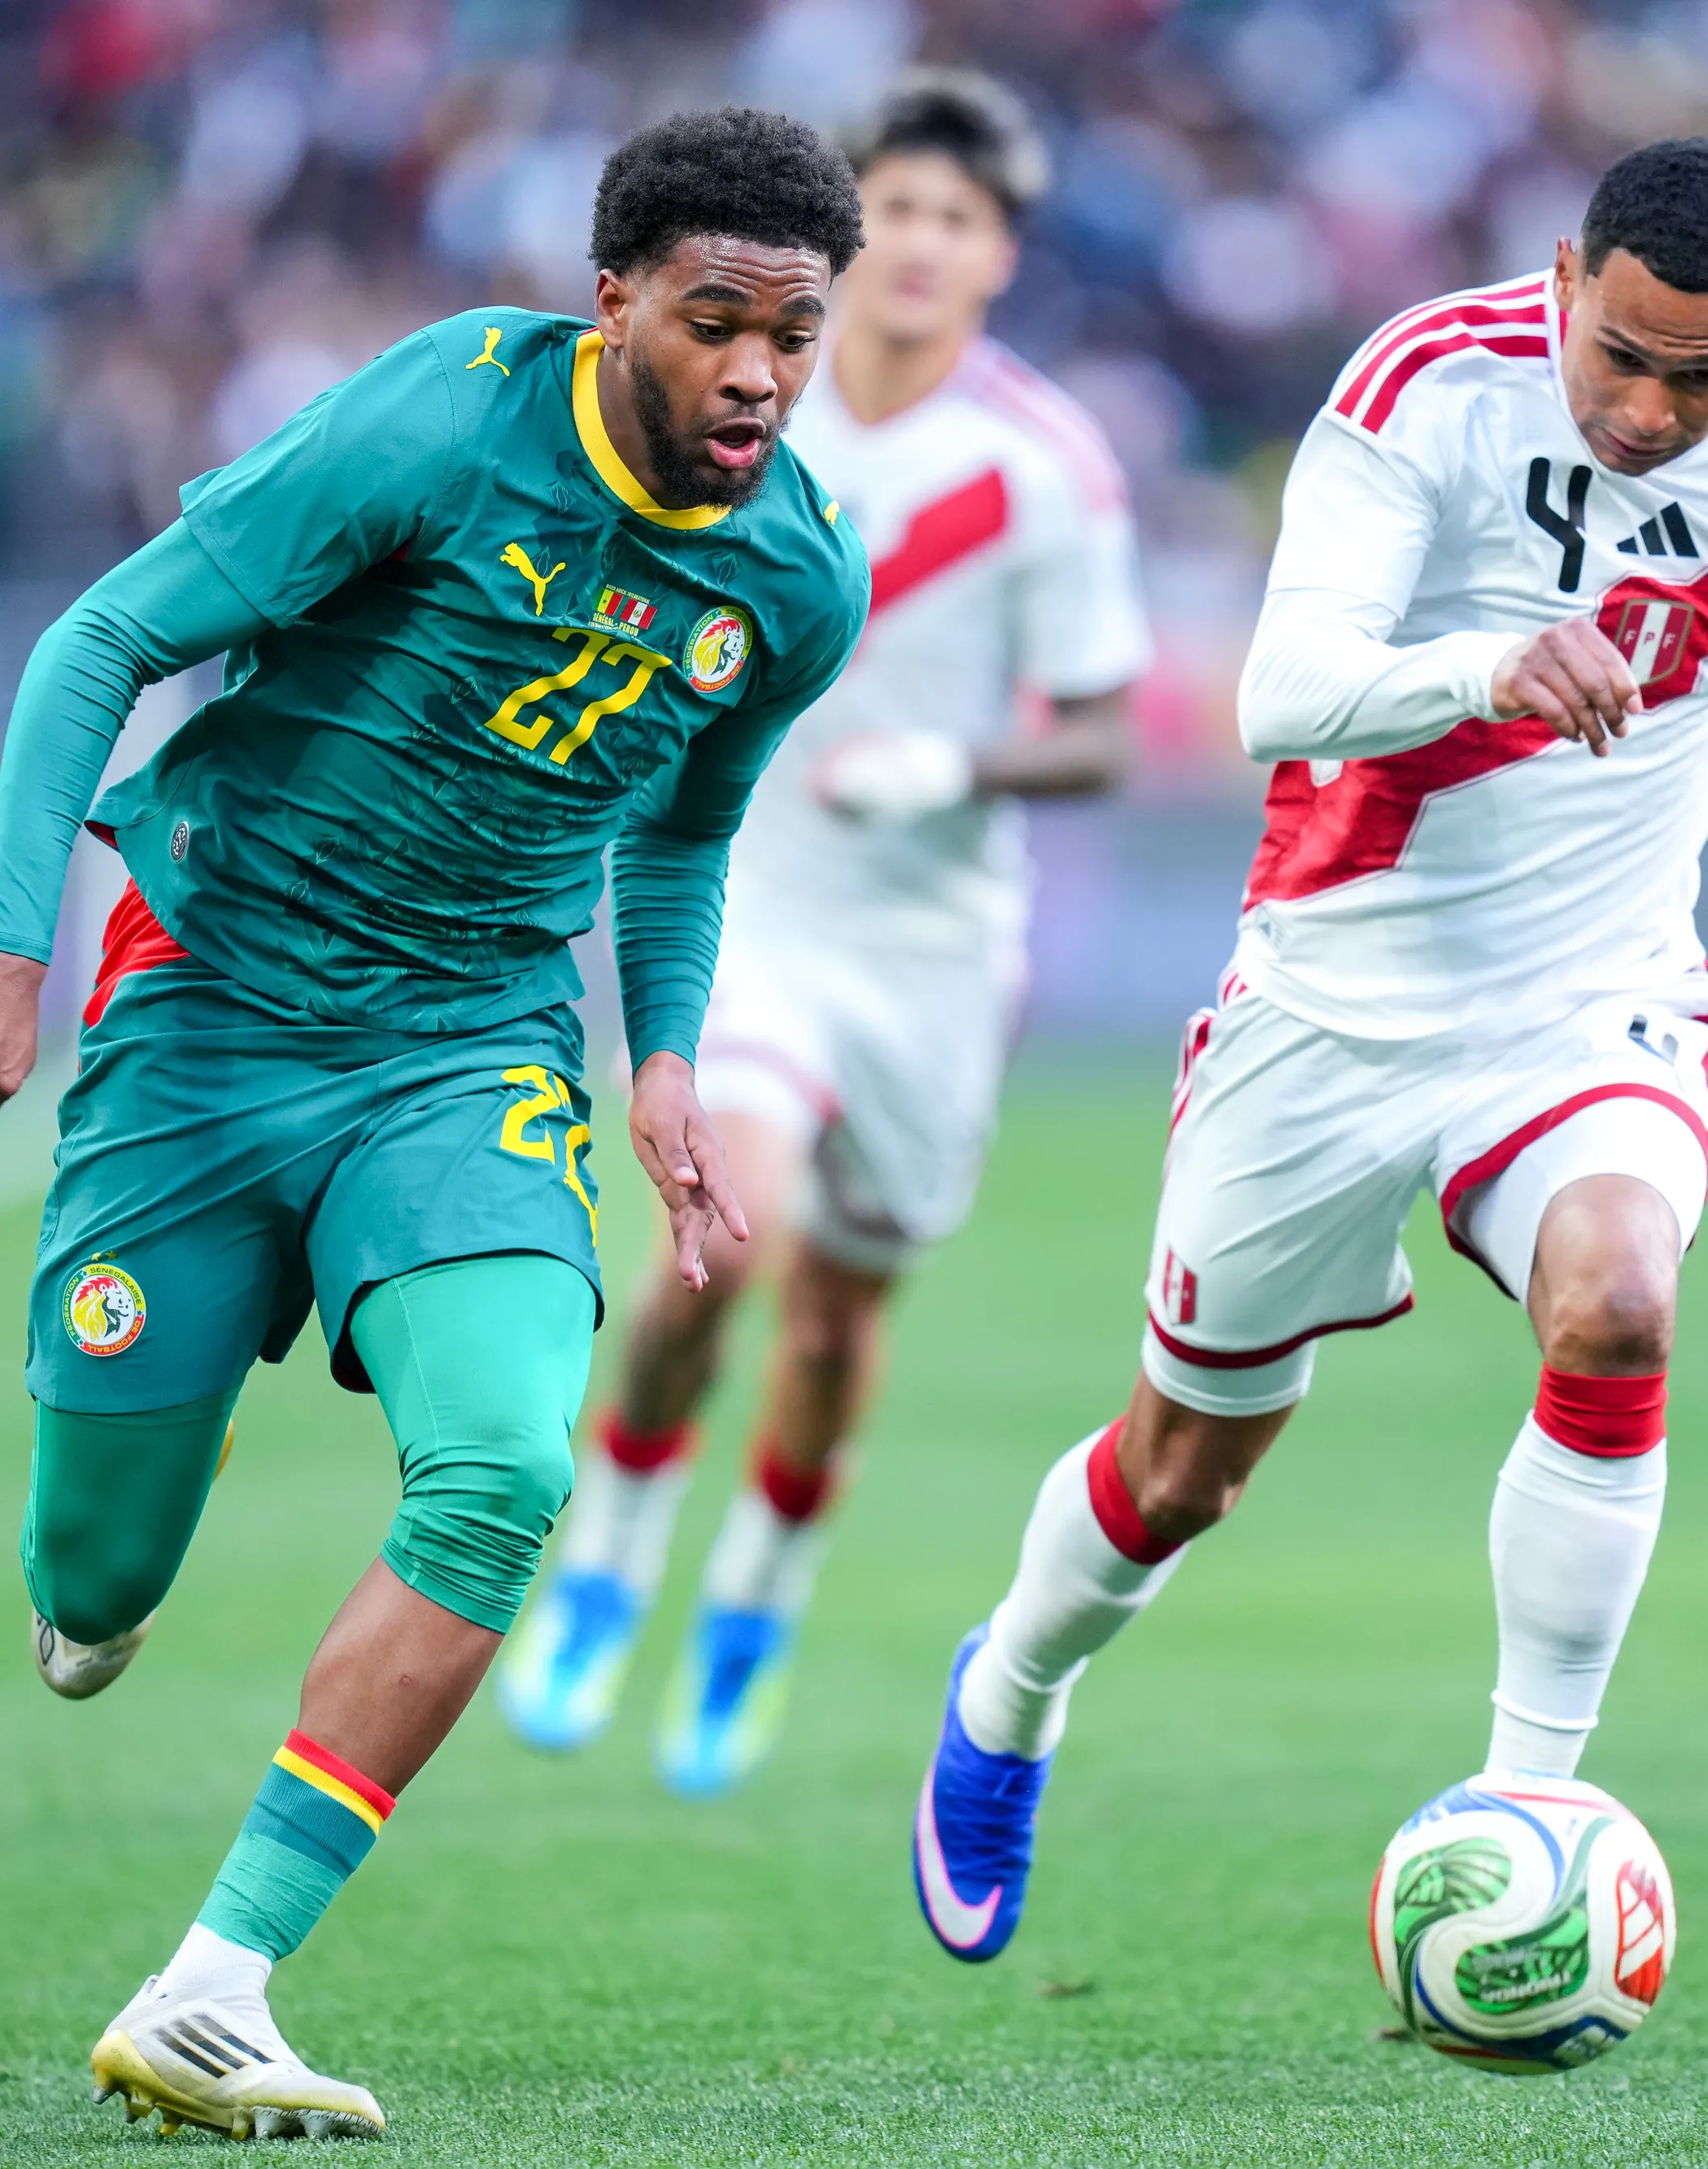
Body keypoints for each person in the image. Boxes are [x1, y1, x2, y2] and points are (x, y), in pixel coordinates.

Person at [906, 139, 1708, 1964]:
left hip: (1586, 1000)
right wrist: (1491, 663)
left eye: (1702, 373)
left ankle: (1528, 1800)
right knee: (1181, 1471)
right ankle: (1012, 1690)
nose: (1650, 407)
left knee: (1618, 1306)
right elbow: (1273, 694)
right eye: (1618, 353)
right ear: (1559, 278)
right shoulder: (1424, 385)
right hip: (1330, 1003)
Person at [0, 110, 869, 2138]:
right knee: (90, 1580)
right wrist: (8, 951)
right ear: (615, 304)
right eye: (716, 323)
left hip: (466, 1053)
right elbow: (104, 637)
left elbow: (681, 833)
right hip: (206, 1013)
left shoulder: (790, 578)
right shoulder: (435, 426)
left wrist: (661, 1054)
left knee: (501, 1468)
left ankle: (216, 1979)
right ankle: (137, 1499)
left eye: (796, 332)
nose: (760, 376)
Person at [499, 70, 1150, 1798]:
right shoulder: (742, 401)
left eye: (960, 220)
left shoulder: (1040, 465)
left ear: (1000, 255)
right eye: (901, 212)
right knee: (732, 1227)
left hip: (936, 952)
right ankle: (608, 1556)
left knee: (837, 1329)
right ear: (852, 231)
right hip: (754, 902)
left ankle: (751, 1608)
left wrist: (953, 760)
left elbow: (1101, 723)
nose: (923, 247)